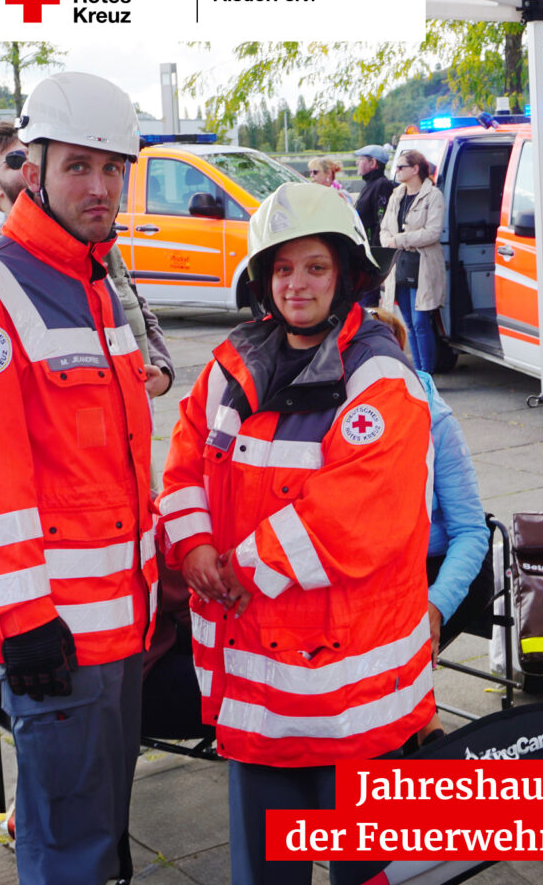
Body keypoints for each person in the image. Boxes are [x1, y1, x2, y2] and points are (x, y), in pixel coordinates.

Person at [159, 181, 434, 885]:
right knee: (266, 870)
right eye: (282, 268)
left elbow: (353, 516)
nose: (296, 284)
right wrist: (192, 548)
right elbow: (185, 459)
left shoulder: (380, 377)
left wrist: (235, 568)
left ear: (347, 274)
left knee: (362, 873)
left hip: (352, 698)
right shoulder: (231, 364)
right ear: (261, 279)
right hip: (256, 688)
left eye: (314, 267)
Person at [0, 71, 159, 884]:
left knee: (102, 836)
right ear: (32, 165)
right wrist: (23, 622)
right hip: (57, 638)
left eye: (114, 168)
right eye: (79, 166)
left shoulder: (99, 281)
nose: (101, 187)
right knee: (66, 851)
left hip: (125, 626)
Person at [0, 120, 175, 401]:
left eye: (111, 168)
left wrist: (162, 371)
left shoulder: (98, 246)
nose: (99, 189)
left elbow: (140, 312)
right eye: (16, 160)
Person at [369, 307, 490, 744]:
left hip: (438, 568)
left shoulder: (435, 419)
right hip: (374, 576)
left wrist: (435, 605)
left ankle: (421, 731)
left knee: (398, 636)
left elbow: (472, 532)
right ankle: (422, 732)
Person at [380, 148, 446, 374]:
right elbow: (384, 230)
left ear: (415, 169)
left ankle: (426, 373)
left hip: (423, 265)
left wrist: (399, 239)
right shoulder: (396, 195)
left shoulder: (433, 195)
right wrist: (392, 240)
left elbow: (433, 232)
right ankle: (417, 371)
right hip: (400, 265)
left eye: (401, 167)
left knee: (420, 322)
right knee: (408, 323)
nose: (396, 172)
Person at [354, 144, 395, 250]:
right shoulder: (370, 184)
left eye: (361, 159)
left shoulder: (381, 185)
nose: (357, 162)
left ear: (373, 163)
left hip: (374, 247)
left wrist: (375, 249)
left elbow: (381, 221)